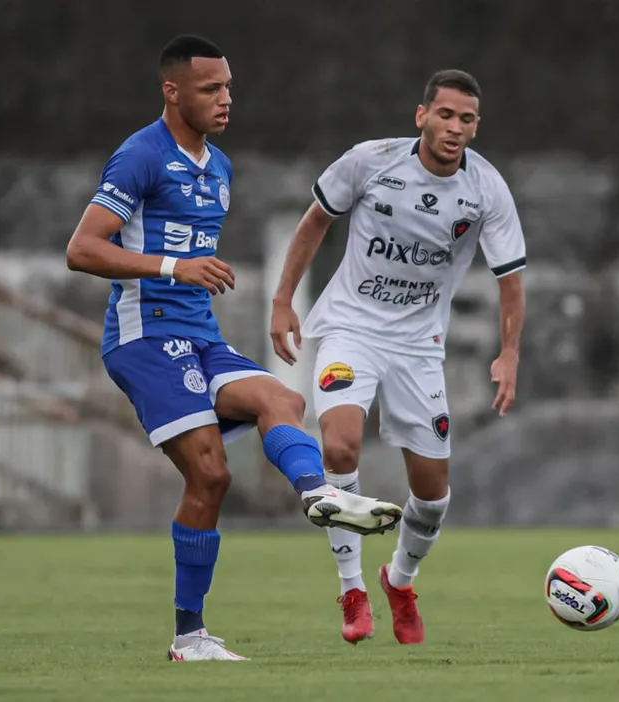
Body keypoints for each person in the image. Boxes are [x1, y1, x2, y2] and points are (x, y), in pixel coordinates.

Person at [65, 34, 403, 662]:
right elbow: (81, 250)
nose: (226, 100)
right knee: (211, 474)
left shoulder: (218, 168)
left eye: (228, 88)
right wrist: (173, 267)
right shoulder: (139, 156)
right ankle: (189, 637)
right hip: (145, 339)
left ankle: (317, 494)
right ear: (172, 92)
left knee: (281, 397)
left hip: (200, 339)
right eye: (210, 89)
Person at [270, 69, 526, 645]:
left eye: (466, 120)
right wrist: (283, 299)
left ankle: (400, 581)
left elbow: (511, 278)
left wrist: (509, 354)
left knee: (433, 496)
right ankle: (352, 588)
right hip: (350, 329)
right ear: (422, 115)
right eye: (445, 115)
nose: (455, 128)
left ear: (475, 127)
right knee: (337, 444)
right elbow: (315, 223)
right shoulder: (369, 161)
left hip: (417, 347)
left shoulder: (486, 189)